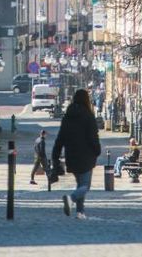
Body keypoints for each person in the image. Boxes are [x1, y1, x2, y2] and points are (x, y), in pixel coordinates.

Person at [52, 88, 101, 220]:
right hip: (86, 156)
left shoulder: (68, 116)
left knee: (80, 184)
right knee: (85, 186)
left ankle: (80, 212)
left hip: (71, 155)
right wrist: (97, 150)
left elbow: (60, 137)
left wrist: (55, 155)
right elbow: (93, 137)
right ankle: (71, 198)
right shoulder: (88, 116)